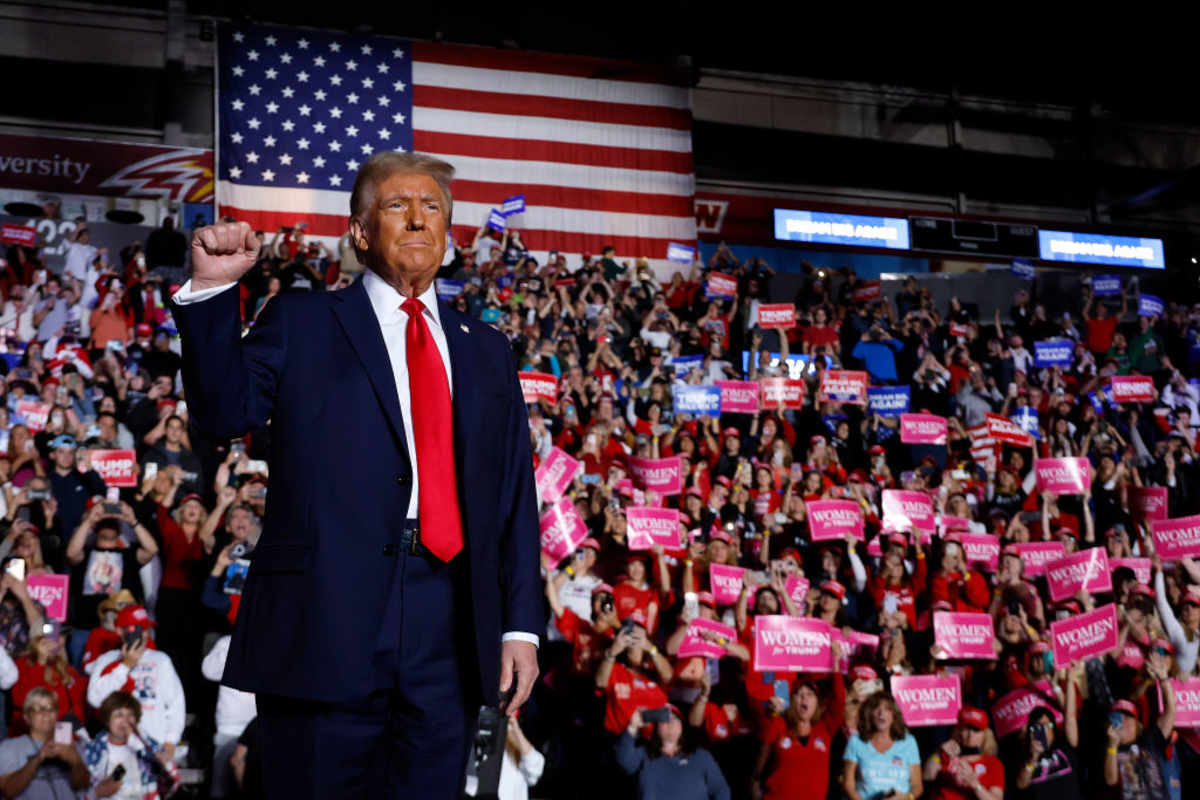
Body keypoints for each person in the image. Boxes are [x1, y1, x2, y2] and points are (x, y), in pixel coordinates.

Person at [173, 152, 541, 798]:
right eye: (399, 205)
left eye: (433, 207)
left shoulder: (485, 350)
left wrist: (518, 626)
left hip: (447, 623)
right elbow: (222, 414)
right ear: (360, 231)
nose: (419, 219)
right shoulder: (303, 320)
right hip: (325, 618)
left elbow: (512, 496)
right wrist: (212, 291)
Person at [85, 605, 185, 759]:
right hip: (117, 747)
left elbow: (176, 703)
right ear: (119, 631)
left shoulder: (160, 660)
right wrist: (125, 665)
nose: (143, 634)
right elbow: (95, 699)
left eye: (146, 629)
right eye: (138, 629)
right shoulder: (107, 660)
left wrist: (170, 742)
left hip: (153, 746)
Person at [615, 705, 731, 800]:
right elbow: (623, 762)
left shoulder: (700, 756)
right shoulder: (644, 753)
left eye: (675, 718)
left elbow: (721, 790)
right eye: (665, 719)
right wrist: (632, 726)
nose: (670, 722)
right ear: (656, 727)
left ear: (681, 726)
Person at [82, 691, 176, 800]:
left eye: (130, 714)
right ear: (107, 720)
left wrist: (140, 747)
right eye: (118, 715)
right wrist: (97, 792)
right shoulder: (93, 750)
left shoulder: (149, 746)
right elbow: (81, 793)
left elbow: (173, 781)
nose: (125, 721)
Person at [0, 687, 90, 798]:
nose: (46, 713)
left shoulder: (72, 746)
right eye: (38, 709)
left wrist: (76, 762)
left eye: (51, 708)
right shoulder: (10, 747)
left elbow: (84, 786)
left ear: (57, 714)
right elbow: (8, 791)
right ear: (27, 717)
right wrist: (38, 758)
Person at [842, 692, 923, 800]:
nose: (881, 714)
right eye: (876, 709)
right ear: (869, 713)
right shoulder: (856, 741)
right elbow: (849, 785)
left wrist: (907, 798)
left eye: (887, 709)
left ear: (894, 714)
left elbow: (917, 786)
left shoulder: (909, 742)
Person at [922, 707, 1004, 800]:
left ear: (985, 735)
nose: (970, 735)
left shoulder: (992, 763)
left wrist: (975, 783)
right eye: (966, 729)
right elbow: (927, 776)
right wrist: (938, 753)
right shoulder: (945, 754)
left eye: (976, 730)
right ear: (958, 731)